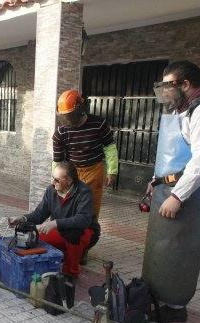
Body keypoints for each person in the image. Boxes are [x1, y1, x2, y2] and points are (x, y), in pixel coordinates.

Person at [142, 60, 200, 322]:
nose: (166, 94)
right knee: (159, 250)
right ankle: (155, 301)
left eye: (169, 86)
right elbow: (171, 154)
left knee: (178, 253)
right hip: (167, 190)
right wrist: (156, 181)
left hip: (187, 197)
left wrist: (178, 196)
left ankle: (172, 310)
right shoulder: (186, 108)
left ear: (185, 84)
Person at [52, 89, 118, 263]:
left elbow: (110, 148)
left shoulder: (99, 124)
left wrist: (112, 170)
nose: (68, 120)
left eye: (71, 115)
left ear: (81, 108)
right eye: (65, 116)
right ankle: (65, 243)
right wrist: (57, 179)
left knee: (89, 212)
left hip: (94, 170)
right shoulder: (61, 132)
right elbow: (58, 160)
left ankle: (84, 247)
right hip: (71, 172)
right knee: (67, 208)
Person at [8, 162, 99, 279]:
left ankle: (70, 273)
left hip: (85, 230)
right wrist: (22, 218)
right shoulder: (51, 190)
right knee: (36, 237)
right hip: (61, 228)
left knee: (74, 235)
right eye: (53, 178)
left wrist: (55, 223)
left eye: (57, 180)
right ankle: (52, 261)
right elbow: (39, 214)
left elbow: (83, 220)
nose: (52, 182)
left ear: (69, 181)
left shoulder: (84, 192)